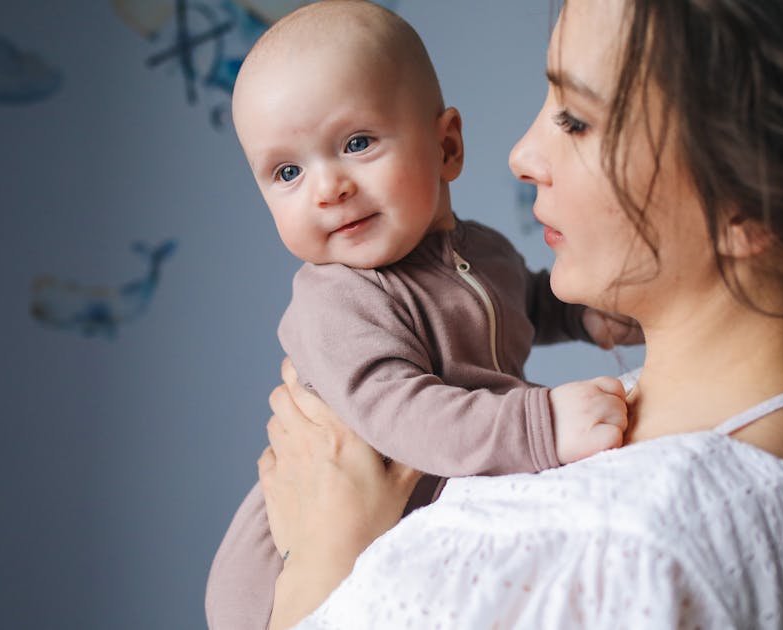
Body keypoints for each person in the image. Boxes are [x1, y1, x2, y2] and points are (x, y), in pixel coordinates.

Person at [250, 0, 783, 627]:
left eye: (576, 117)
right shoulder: (773, 443)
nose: (522, 155)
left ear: (751, 199)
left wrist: (321, 569)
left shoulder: (648, 546)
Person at [205, 2, 642, 627]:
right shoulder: (337, 299)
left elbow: (518, 305)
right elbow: (400, 415)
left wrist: (581, 317)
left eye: (356, 143)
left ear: (447, 146)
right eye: (287, 172)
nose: (327, 188)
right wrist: (538, 425)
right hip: (286, 573)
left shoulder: (483, 250)